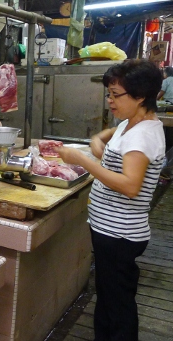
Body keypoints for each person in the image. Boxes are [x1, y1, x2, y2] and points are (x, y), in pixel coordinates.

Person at [56, 59, 166, 341]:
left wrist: (82, 158)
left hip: (121, 235)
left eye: (116, 95)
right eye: (109, 94)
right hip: (111, 231)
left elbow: (130, 186)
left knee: (117, 307)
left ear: (141, 96)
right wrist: (97, 139)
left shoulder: (142, 135)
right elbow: (111, 134)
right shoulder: (132, 123)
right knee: (108, 299)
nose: (110, 102)